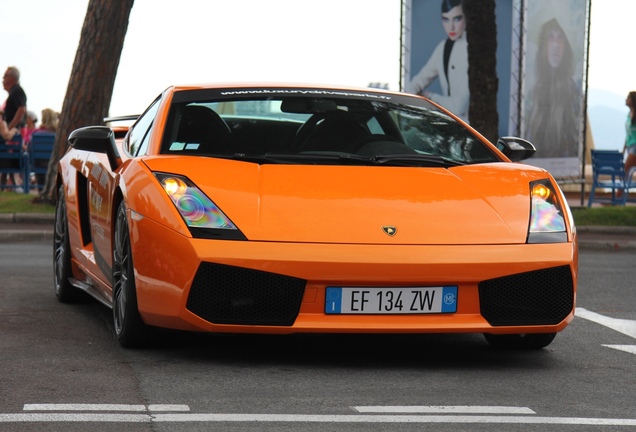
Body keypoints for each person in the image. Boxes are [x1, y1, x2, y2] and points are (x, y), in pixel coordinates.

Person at [526, 18, 580, 159]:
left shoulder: (572, 92)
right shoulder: (534, 93)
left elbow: (573, 142)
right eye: (550, 37)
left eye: (560, 38)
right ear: (543, 45)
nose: (555, 45)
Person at [408, 0, 469, 123]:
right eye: (446, 19)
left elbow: (459, 106)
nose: (451, 26)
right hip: (450, 124)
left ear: (466, 18)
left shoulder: (471, 48)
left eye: (457, 19)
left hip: (471, 128)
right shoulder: (443, 47)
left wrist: (430, 96)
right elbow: (420, 79)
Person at [2, 66, 27, 190]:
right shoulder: (14, 92)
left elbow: (21, 109)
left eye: (5, 76)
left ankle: (13, 186)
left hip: (13, 134)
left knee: (9, 155)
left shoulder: (17, 91)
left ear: (12, 77)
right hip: (11, 134)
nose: (2, 79)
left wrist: (9, 126)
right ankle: (10, 186)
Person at [623, 91, 636, 179]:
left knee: (625, 170)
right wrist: (623, 149)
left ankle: (618, 193)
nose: (626, 100)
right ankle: (623, 192)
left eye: (628, 98)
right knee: (627, 173)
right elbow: (628, 134)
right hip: (629, 145)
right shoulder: (628, 115)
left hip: (635, 146)